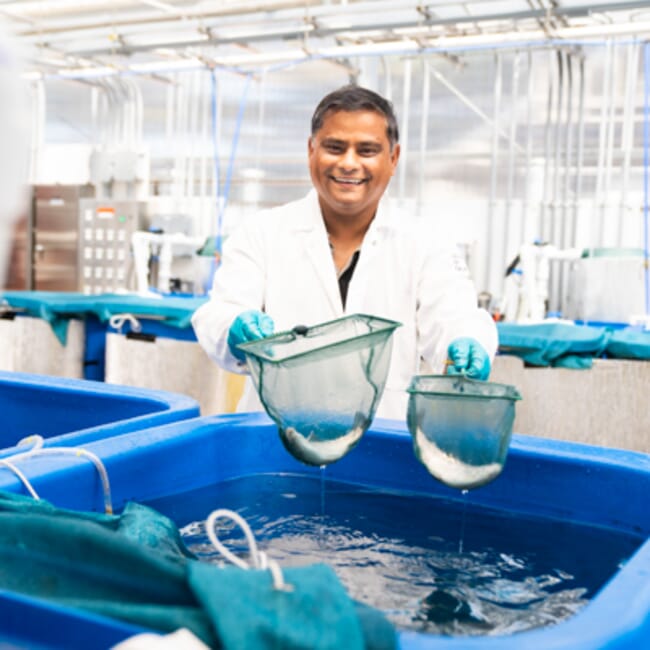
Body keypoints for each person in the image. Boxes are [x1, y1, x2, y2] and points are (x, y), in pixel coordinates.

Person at [192, 85, 498, 419]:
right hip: (276, 440)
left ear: (393, 158)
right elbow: (218, 314)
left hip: (381, 437)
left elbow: (455, 317)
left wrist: (468, 343)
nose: (349, 163)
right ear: (311, 151)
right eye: (335, 148)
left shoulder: (425, 244)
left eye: (367, 151)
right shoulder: (262, 233)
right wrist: (234, 328)